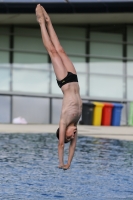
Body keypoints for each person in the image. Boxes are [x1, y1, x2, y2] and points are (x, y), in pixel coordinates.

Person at [36, 4, 82, 170]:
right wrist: (70, 163)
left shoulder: (64, 121)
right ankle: (49, 21)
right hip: (74, 79)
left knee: (53, 52)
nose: (74, 135)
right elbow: (72, 147)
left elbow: (62, 145)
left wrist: (61, 162)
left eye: (71, 136)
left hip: (63, 81)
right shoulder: (76, 123)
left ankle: (42, 22)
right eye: (73, 136)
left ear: (65, 134)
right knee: (61, 50)